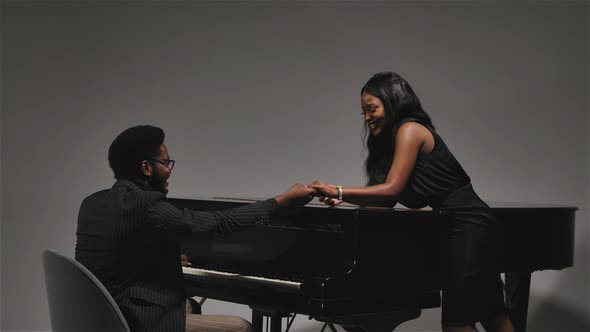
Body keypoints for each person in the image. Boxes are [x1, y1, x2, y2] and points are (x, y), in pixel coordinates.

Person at [310, 72, 514, 332]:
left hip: (469, 225)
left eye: (372, 109)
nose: (367, 117)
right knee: (493, 315)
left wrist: (339, 190)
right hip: (466, 225)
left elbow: (392, 191)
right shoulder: (392, 142)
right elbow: (386, 201)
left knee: (458, 323)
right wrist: (346, 198)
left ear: (392, 101)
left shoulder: (410, 130)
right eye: (363, 112)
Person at [75, 125, 315, 332]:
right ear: (147, 168)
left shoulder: (92, 202)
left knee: (191, 305)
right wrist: (281, 201)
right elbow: (217, 224)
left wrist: (163, 259)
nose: (169, 170)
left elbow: (117, 255)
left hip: (99, 318)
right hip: (135, 320)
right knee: (241, 327)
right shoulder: (145, 205)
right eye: (166, 162)